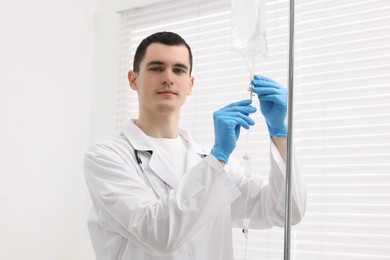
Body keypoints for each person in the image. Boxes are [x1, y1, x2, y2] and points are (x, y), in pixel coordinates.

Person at [84, 31, 306, 260]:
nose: (168, 78)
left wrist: (279, 132)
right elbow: (160, 235)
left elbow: (287, 211)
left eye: (178, 70)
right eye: (156, 68)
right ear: (133, 79)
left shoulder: (212, 163)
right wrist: (218, 157)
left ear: (190, 84)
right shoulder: (106, 157)